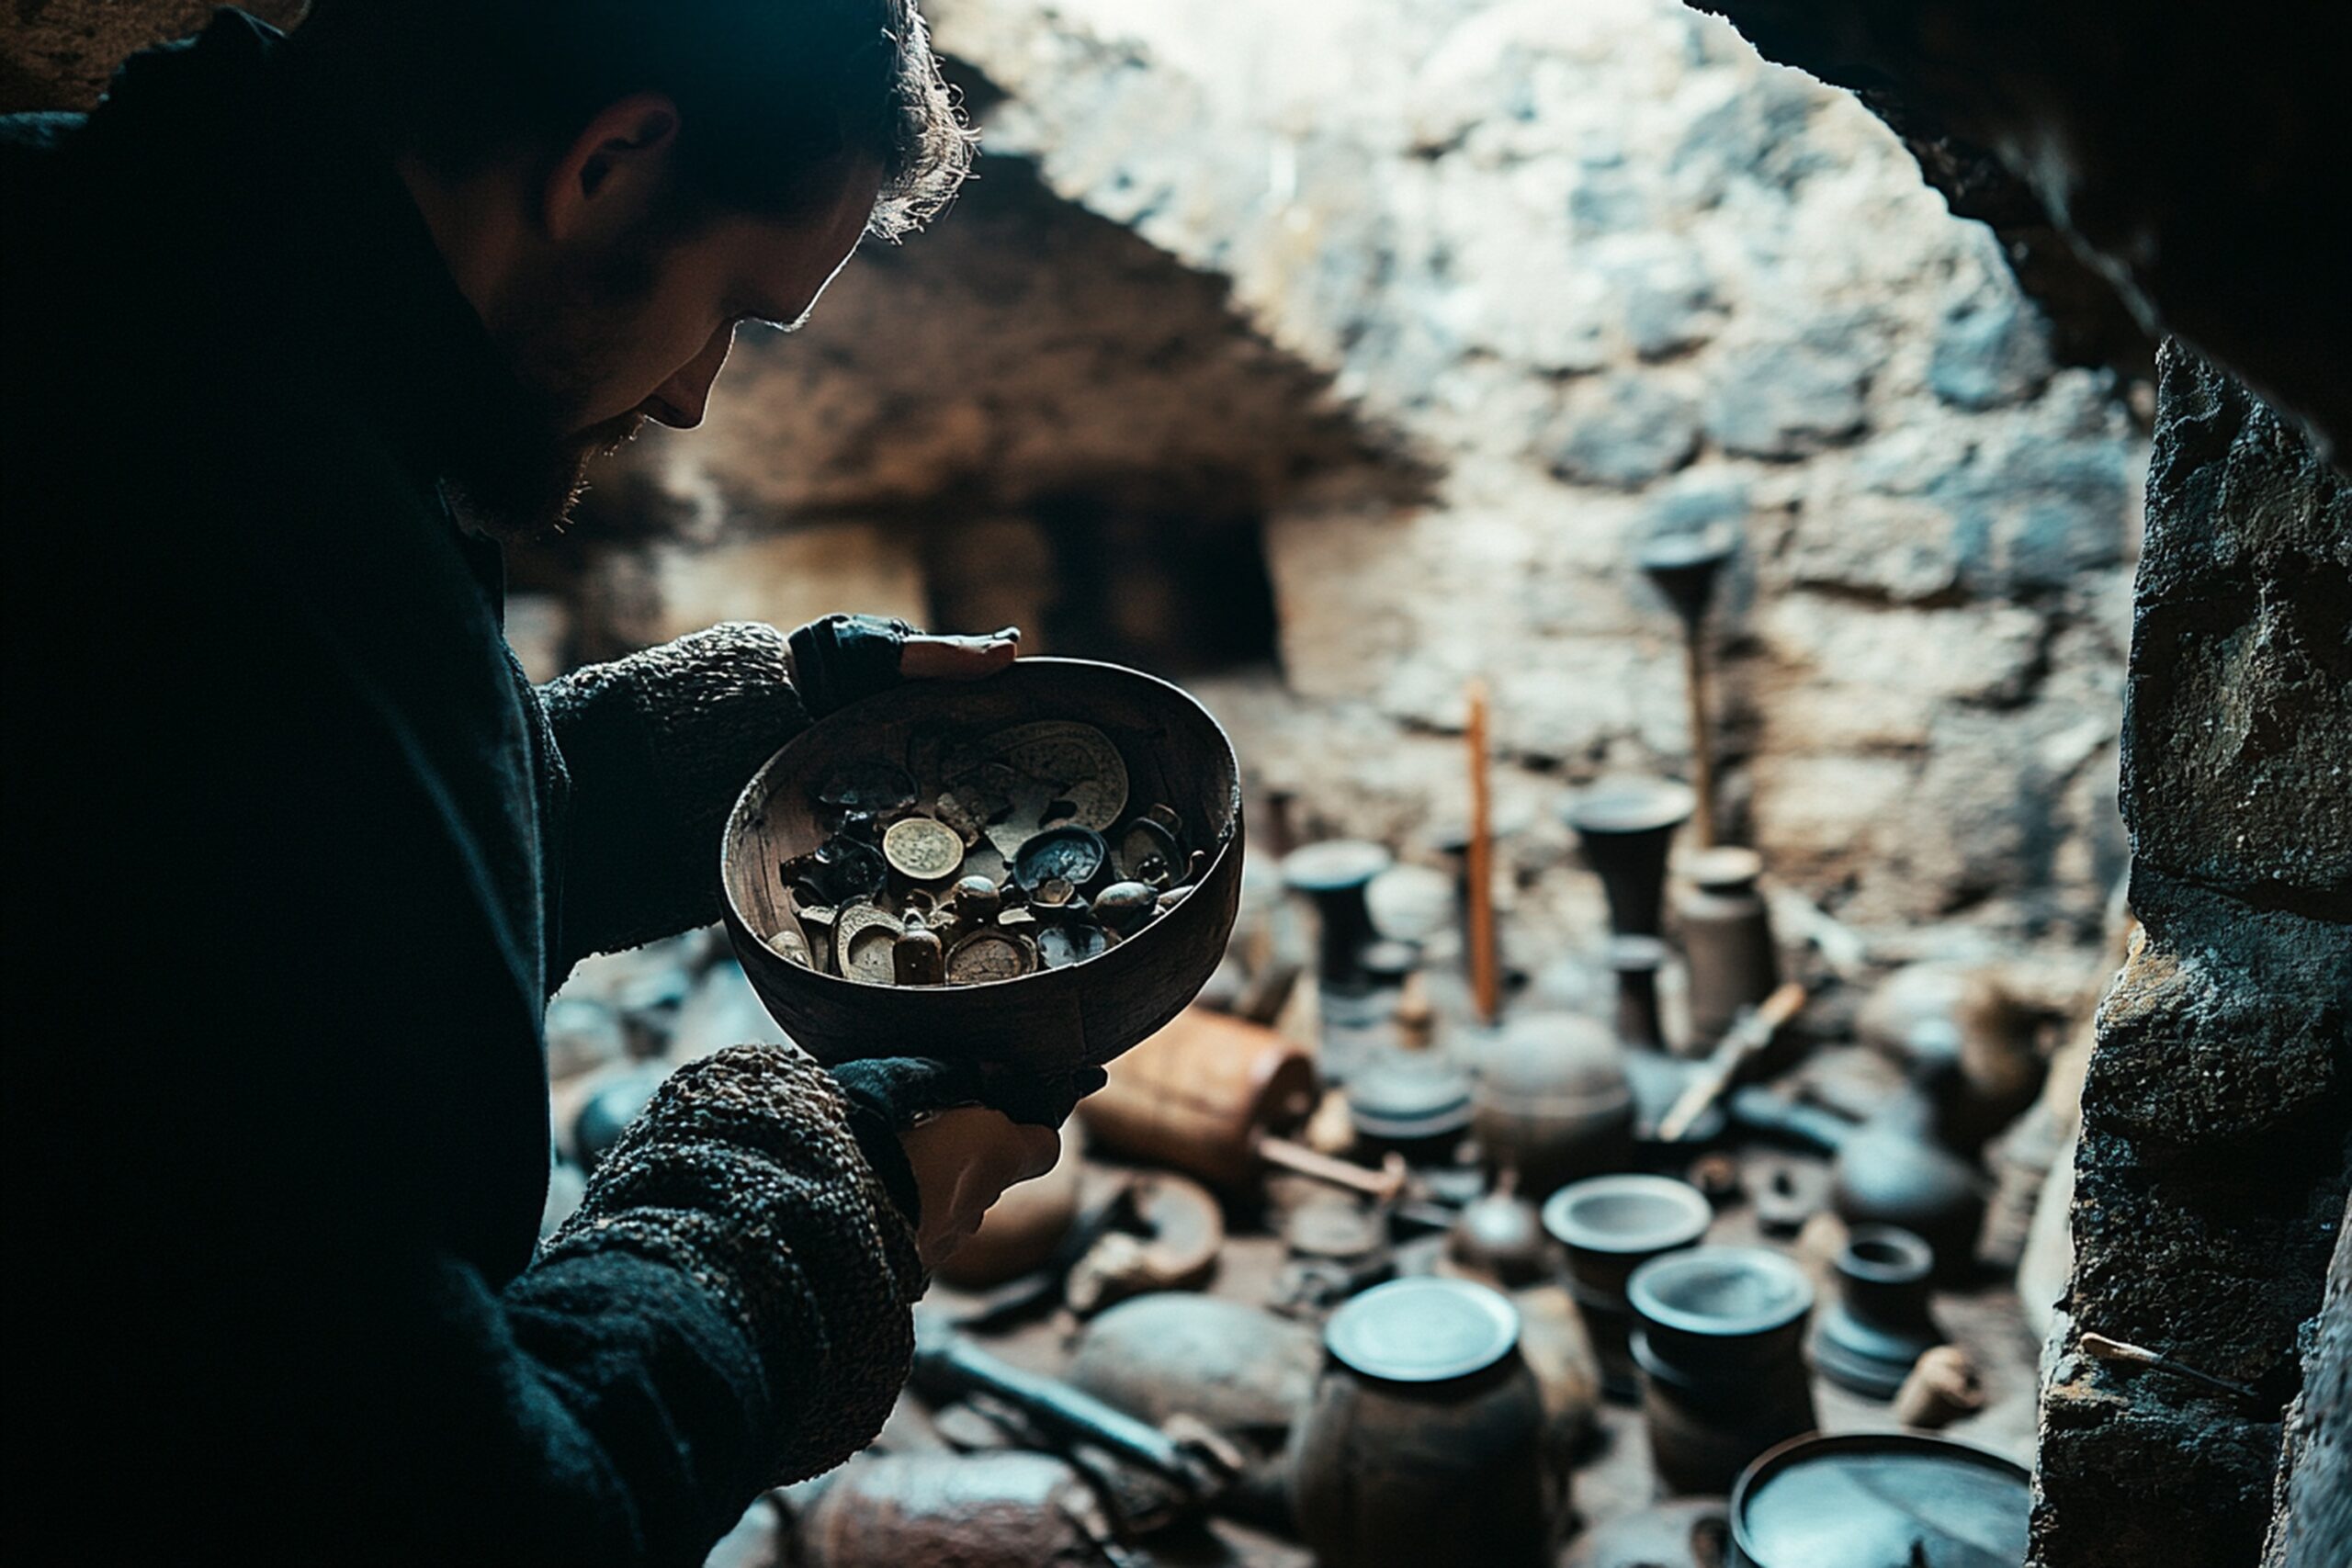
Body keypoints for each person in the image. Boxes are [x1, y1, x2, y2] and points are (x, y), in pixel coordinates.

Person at [1, 4, 1088, 1561]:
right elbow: (450, 1508)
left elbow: (349, 891)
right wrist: (825, 1190)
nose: (693, 394)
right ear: (614, 165)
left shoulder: (150, 272)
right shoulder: (250, 543)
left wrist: (774, 719)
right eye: (735, 309)